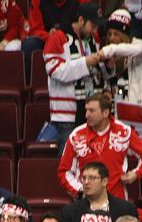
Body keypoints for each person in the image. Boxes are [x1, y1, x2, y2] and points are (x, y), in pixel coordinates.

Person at [58, 93, 142, 202]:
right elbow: (64, 171)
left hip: (117, 200)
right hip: (86, 203)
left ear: (105, 113)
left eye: (91, 111)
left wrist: (136, 174)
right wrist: (79, 190)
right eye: (86, 110)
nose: (86, 115)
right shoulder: (76, 135)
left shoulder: (123, 131)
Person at [42, 2, 108, 152]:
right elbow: (55, 71)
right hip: (67, 117)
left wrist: (108, 66)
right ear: (81, 20)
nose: (95, 30)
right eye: (93, 25)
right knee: (67, 159)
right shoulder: (57, 38)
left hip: (92, 113)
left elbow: (100, 74)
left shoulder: (94, 39)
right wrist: (84, 63)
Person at [98, 9, 142, 134]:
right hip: (119, 112)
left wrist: (110, 50)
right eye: (109, 34)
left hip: (141, 110)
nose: (111, 38)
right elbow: (108, 81)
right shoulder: (110, 53)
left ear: (124, 34)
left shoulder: (140, 44)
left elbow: (139, 50)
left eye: (116, 34)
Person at [60, 161, 138, 222]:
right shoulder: (69, 211)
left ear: (104, 181)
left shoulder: (126, 209)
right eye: (84, 178)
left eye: (92, 178)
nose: (86, 182)